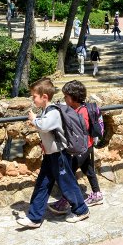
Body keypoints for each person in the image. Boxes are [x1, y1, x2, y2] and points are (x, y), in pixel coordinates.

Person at [15, 78, 89, 228]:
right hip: (51, 155)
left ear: (44, 97)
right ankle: (34, 218)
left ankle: (81, 210)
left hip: (60, 155)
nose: (32, 99)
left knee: (67, 183)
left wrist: (34, 119)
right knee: (42, 184)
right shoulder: (46, 111)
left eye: (34, 96)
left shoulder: (53, 111)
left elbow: (44, 126)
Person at [49, 81, 104, 213]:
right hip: (89, 145)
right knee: (89, 169)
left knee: (68, 173)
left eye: (66, 97)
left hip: (81, 148)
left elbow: (78, 132)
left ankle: (66, 200)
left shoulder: (80, 113)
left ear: (73, 98)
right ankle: (97, 194)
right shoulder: (83, 108)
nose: (64, 99)